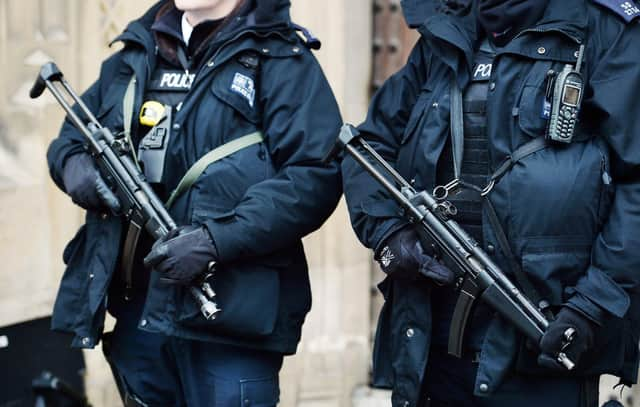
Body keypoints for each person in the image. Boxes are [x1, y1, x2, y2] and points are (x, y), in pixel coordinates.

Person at [341, 0, 640, 406]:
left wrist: (591, 307)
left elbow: (635, 182)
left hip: (544, 348)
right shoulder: (447, 32)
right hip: (433, 349)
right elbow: (370, 146)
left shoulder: (605, 30)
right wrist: (388, 233)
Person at [46, 0, 342, 405]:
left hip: (228, 315)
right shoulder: (138, 50)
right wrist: (74, 168)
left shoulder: (282, 59)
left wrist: (215, 240)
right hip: (141, 313)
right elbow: (72, 136)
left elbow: (313, 175)